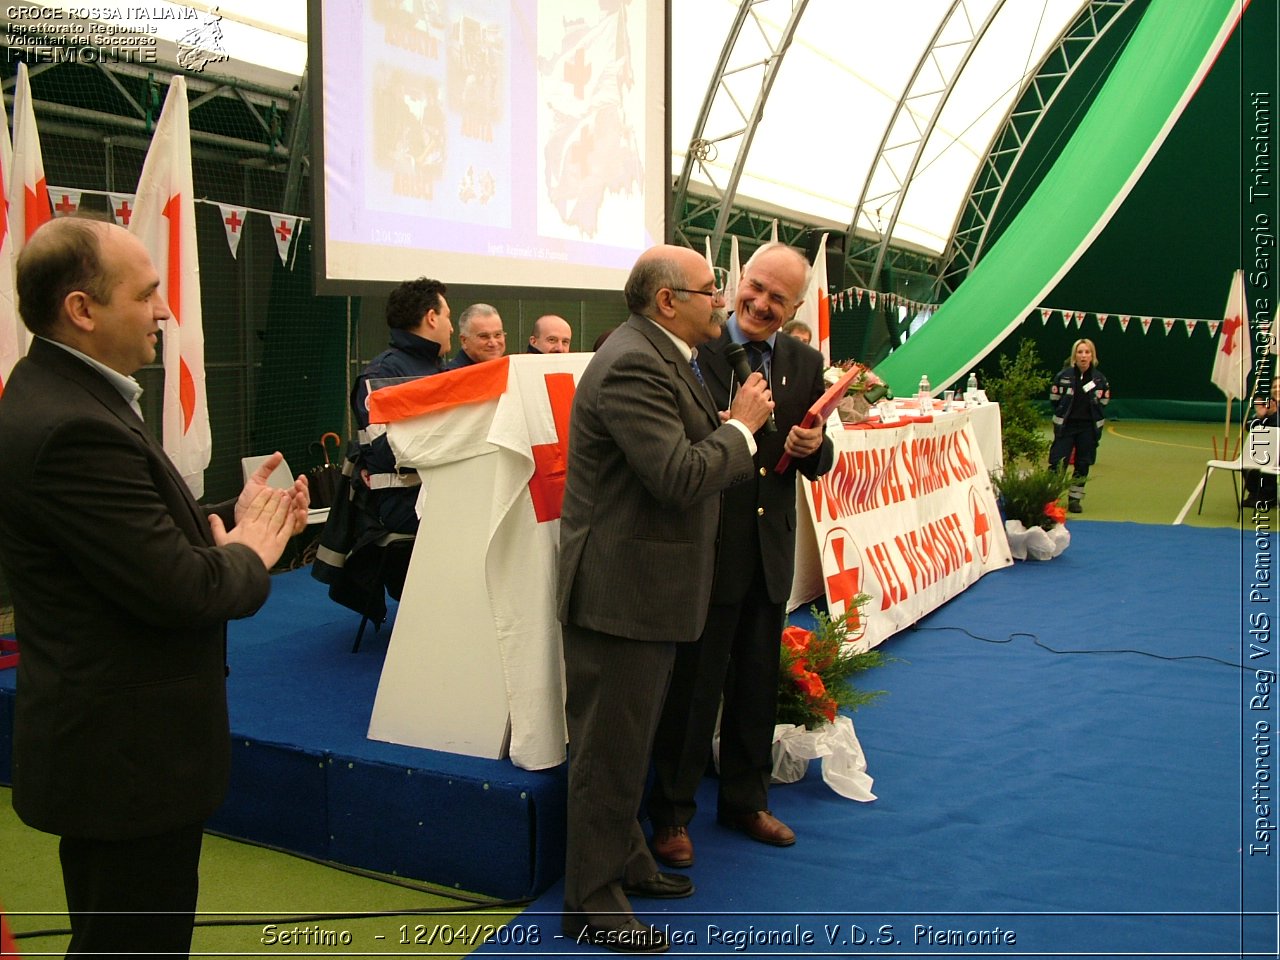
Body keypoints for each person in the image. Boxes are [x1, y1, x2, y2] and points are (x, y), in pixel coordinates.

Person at [0, 216, 310, 959]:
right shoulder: (74, 424)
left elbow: (125, 555)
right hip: (126, 765)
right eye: (147, 295)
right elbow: (184, 591)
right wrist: (252, 551)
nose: (165, 312)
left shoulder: (64, 396)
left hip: (118, 756)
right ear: (82, 310)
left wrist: (230, 523)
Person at [557, 243, 774, 952]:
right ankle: (591, 903)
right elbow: (678, 476)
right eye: (712, 289)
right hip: (621, 596)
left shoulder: (657, 356)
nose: (723, 300)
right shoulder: (631, 365)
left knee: (629, 742)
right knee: (608, 753)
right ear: (666, 302)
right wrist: (740, 426)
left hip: (645, 591)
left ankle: (623, 861)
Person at [646, 241, 834, 870]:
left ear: (795, 306)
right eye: (754, 288)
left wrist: (812, 447)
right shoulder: (692, 351)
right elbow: (673, 454)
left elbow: (819, 460)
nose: (759, 304)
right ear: (736, 281)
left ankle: (746, 801)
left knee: (756, 685)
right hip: (708, 551)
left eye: (777, 298)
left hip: (769, 553)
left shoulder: (806, 362)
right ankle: (671, 814)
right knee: (694, 691)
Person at [351, 276, 452, 534]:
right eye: (448, 317)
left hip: (440, 493)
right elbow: (388, 449)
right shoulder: (381, 375)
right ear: (432, 317)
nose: (450, 328)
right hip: (404, 503)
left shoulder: (439, 369)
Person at [1048, 338, 1110, 513]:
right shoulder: (1063, 376)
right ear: (1074, 355)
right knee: (1058, 462)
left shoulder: (1100, 379)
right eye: (1080, 352)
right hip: (1066, 428)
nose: (1083, 356)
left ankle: (1075, 499)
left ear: (1092, 356)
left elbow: (1104, 401)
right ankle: (1051, 498)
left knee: (1082, 464)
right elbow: (1054, 400)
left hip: (1088, 429)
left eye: (1087, 352)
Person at [1244, 378, 1280, 509]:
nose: (1277, 389)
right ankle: (1256, 494)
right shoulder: (1266, 407)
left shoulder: (1273, 412)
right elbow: (1248, 427)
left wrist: (1272, 416)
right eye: (1274, 387)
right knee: (1248, 461)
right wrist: (1259, 417)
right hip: (1264, 451)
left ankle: (1269, 496)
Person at [447, 303, 506, 368]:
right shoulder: (452, 376)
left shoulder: (511, 371)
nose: (493, 343)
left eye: (498, 335)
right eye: (484, 336)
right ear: (464, 341)